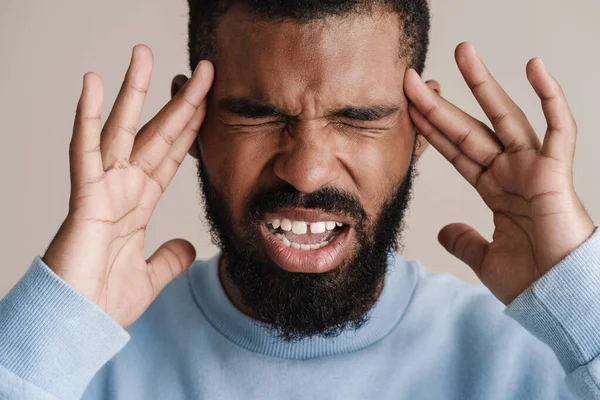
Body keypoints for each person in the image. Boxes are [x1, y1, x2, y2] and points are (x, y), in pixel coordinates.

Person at [0, 0, 598, 398]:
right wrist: (52, 327)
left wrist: (585, 308)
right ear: (192, 122)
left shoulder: (541, 362)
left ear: (421, 127)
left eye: (358, 119)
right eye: (258, 116)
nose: (307, 172)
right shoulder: (69, 363)